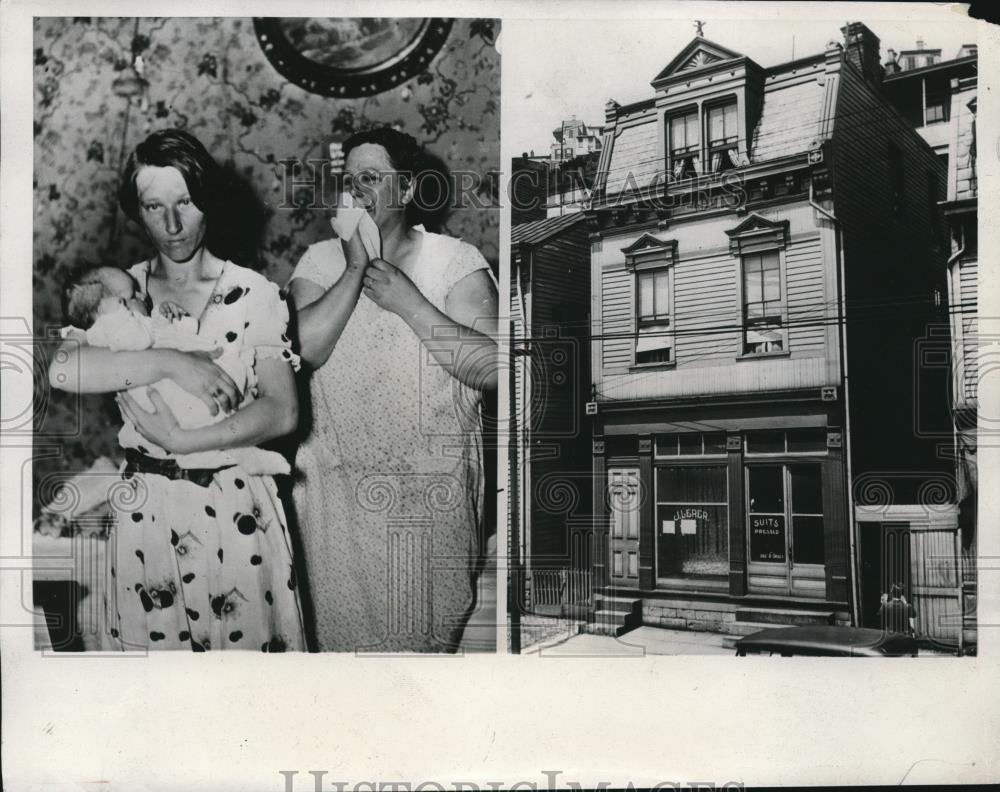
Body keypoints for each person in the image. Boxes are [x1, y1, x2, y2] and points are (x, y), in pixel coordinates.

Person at [49, 129, 305, 652]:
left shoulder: (255, 292)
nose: (171, 225)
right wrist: (171, 361)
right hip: (149, 512)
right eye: (153, 206)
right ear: (136, 211)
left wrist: (189, 441)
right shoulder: (120, 287)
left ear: (206, 197)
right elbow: (63, 370)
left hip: (237, 511)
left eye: (185, 202)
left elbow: (282, 412)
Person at [287, 127, 498, 652]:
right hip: (334, 513)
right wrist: (355, 268)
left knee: (415, 663)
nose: (356, 190)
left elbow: (497, 368)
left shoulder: (455, 262)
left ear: (405, 192)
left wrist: (410, 303)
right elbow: (304, 350)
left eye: (371, 178)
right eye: (349, 179)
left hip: (426, 511)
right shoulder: (318, 263)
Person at [60, 265, 289, 477]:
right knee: (205, 410)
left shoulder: (251, 285)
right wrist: (174, 361)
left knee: (221, 402)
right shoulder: (107, 329)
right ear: (113, 308)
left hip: (184, 403)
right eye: (131, 297)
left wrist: (165, 315)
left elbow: (175, 336)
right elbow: (137, 339)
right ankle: (242, 455)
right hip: (162, 399)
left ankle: (245, 454)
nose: (141, 297)